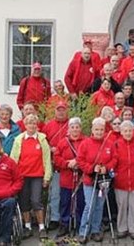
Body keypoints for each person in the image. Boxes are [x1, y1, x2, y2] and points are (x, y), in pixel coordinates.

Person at [10, 114, 53, 240]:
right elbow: (13, 159)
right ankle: (27, 227)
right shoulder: (18, 139)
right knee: (24, 202)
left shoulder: (42, 139)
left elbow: (47, 159)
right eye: (29, 123)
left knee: (36, 200)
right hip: (22, 175)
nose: (32, 126)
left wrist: (47, 177)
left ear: (37, 125)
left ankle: (41, 227)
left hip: (37, 176)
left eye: (34, 123)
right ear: (25, 125)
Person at [76, 117, 117, 244]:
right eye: (97, 129)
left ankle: (95, 230)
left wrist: (107, 167)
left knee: (99, 205)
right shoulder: (85, 143)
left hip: (103, 181)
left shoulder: (109, 143)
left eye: (101, 130)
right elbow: (80, 160)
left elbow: (115, 158)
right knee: (90, 205)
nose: (99, 132)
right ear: (92, 130)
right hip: (90, 180)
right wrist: (92, 168)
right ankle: (83, 231)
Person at [54, 117, 86, 237]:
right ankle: (65, 224)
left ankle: (79, 224)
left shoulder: (85, 141)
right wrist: (68, 164)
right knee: (65, 202)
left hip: (82, 179)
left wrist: (77, 162)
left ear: (80, 128)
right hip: (66, 178)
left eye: (77, 127)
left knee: (81, 202)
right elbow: (56, 159)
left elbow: (89, 156)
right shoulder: (63, 142)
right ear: (69, 129)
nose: (75, 129)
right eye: (72, 127)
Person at [42, 101, 70, 231]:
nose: (61, 112)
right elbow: (43, 142)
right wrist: (50, 149)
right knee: (54, 193)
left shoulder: (71, 125)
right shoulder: (49, 126)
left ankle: (68, 218)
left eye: (63, 109)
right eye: (58, 110)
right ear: (55, 111)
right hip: (53, 164)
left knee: (67, 194)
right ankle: (54, 218)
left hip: (68, 165)